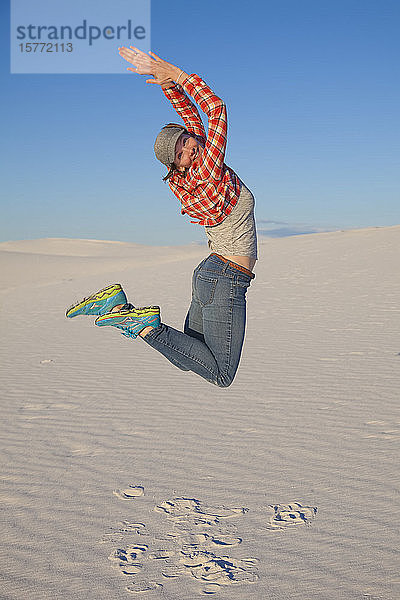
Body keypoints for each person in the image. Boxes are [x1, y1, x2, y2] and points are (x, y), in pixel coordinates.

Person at [65, 47, 258, 387]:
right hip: (226, 279)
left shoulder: (186, 176)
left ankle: (119, 306)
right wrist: (177, 73)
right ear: (177, 166)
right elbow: (215, 109)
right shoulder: (205, 172)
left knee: (189, 356)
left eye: (185, 141)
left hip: (212, 274)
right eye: (180, 154)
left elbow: (196, 123)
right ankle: (145, 326)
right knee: (221, 374)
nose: (189, 149)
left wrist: (169, 85)